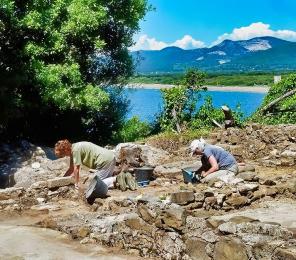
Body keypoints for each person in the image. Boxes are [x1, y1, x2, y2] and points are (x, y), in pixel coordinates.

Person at [54, 140, 136, 194]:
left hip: (104, 161)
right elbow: (71, 168)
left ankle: (117, 178)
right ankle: (120, 180)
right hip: (109, 157)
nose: (65, 156)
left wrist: (76, 184)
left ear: (65, 150)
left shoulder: (75, 150)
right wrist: (62, 179)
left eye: (63, 154)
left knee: (94, 186)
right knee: (104, 181)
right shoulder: (75, 148)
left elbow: (76, 169)